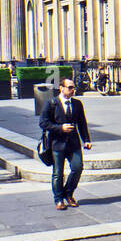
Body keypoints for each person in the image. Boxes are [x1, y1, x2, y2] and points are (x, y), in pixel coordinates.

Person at [39, 76, 92, 210]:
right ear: (61, 88)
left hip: (73, 143)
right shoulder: (51, 103)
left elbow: (82, 123)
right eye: (70, 87)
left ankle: (68, 193)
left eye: (73, 87)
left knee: (77, 167)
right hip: (57, 143)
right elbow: (43, 123)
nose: (72, 90)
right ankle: (58, 199)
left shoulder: (77, 104)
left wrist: (86, 140)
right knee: (58, 173)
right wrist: (60, 128)